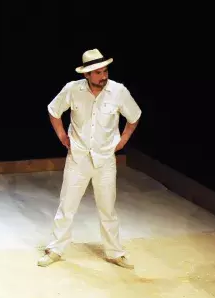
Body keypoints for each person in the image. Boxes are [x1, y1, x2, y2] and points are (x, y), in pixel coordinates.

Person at [38, 48, 142, 269]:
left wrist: (123, 140)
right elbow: (53, 110)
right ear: (86, 74)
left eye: (105, 71)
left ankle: (114, 252)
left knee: (107, 208)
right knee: (67, 205)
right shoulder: (72, 90)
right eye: (97, 73)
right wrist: (61, 135)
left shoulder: (118, 91)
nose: (103, 76)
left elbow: (134, 116)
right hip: (78, 157)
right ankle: (56, 248)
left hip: (105, 159)